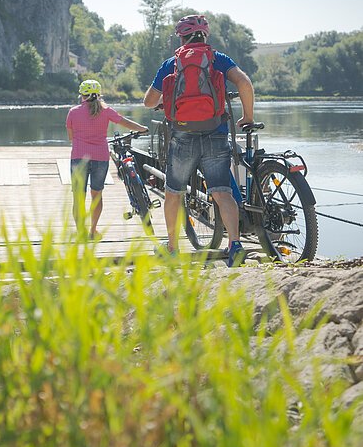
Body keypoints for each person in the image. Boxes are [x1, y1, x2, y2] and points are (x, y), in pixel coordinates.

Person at [143, 15, 254, 267]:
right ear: (206, 35)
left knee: (173, 193)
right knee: (222, 192)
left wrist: (166, 101)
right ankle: (235, 245)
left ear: (181, 37)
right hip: (215, 132)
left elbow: (149, 101)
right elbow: (245, 83)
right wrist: (248, 116)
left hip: (182, 136)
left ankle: (171, 248)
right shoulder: (219, 60)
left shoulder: (171, 63)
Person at [66, 79, 148, 240]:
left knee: (78, 196)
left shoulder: (73, 112)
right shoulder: (106, 110)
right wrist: (142, 128)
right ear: (99, 94)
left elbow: (71, 137)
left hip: (79, 157)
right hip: (100, 157)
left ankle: (81, 232)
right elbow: (125, 122)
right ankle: (93, 231)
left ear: (82, 95)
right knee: (97, 195)